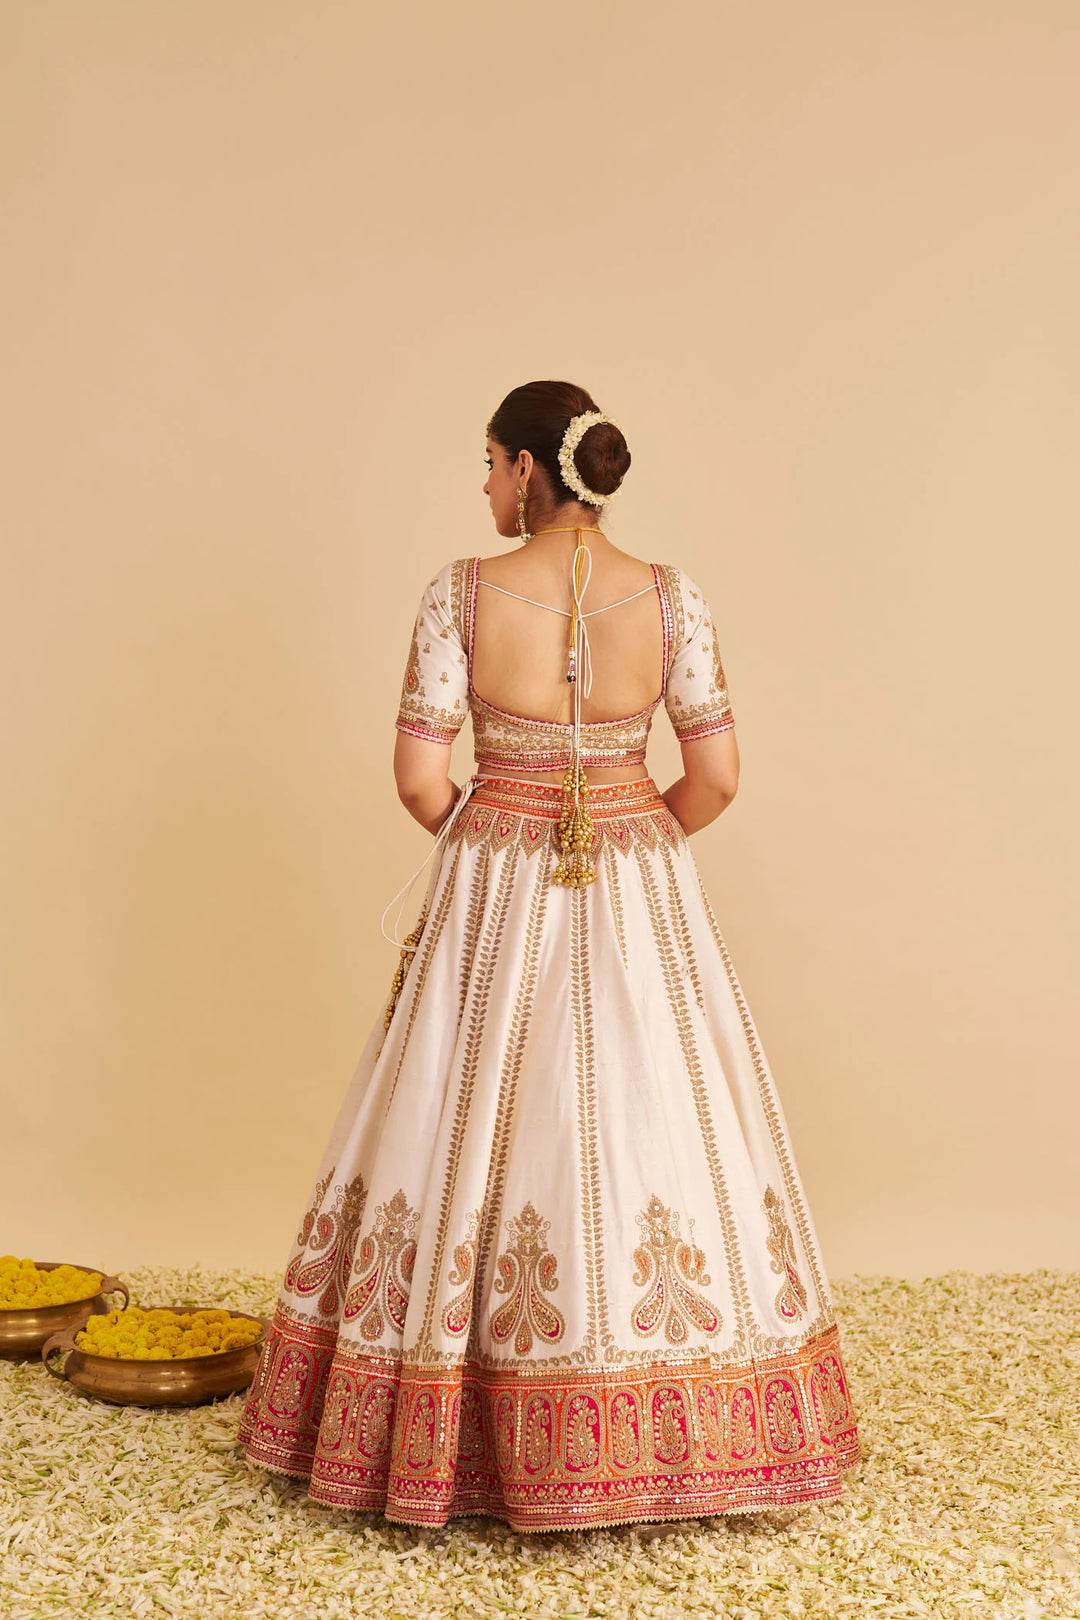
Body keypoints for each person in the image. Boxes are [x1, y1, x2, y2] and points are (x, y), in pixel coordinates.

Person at [237, 380, 862, 1533]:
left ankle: (439, 1421)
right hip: (635, 865)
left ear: (531, 470)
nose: (481, 485)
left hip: (497, 870)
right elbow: (716, 778)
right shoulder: (673, 598)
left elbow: (422, 777)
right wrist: (635, 843)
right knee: (652, 1111)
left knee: (467, 1108)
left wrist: (490, 843)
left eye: (488, 462)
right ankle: (682, 1422)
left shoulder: (459, 595)